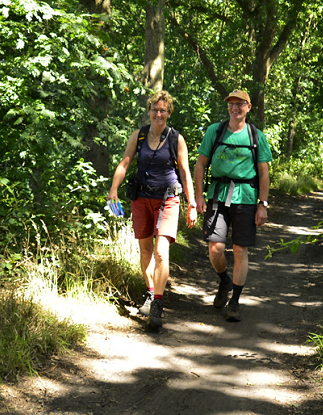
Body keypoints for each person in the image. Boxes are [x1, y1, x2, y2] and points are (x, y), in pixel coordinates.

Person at [108, 91, 197, 330]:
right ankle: (149, 292)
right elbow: (125, 162)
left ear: (169, 113)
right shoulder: (138, 136)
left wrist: (192, 204)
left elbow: (186, 172)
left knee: (160, 252)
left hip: (168, 199)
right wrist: (113, 189)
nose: (159, 114)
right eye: (155, 110)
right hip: (141, 198)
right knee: (145, 249)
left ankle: (157, 303)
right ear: (149, 111)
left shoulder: (176, 138)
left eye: (163, 110)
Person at [193, 89, 273, 323]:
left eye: (240, 104)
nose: (235, 108)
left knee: (240, 250)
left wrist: (263, 204)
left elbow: (264, 173)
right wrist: (199, 195)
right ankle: (225, 281)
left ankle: (235, 301)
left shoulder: (256, 135)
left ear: (249, 107)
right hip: (217, 195)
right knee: (215, 248)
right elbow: (200, 164)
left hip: (246, 197)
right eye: (231, 104)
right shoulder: (214, 131)